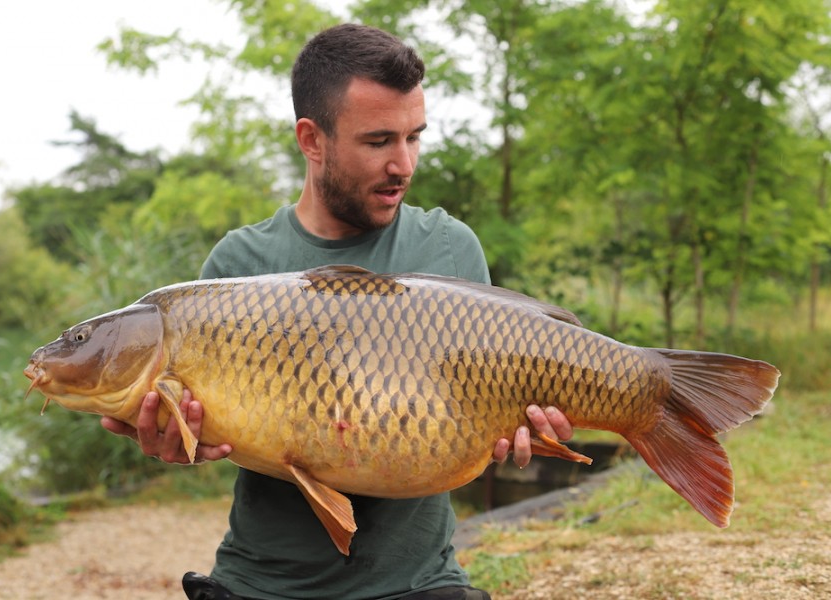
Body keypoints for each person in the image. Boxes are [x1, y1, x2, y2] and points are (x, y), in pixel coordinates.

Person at [102, 23, 573, 600]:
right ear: (312, 139)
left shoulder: (449, 247)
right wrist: (174, 441)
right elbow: (204, 431)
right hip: (263, 583)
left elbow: (487, 415)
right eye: (379, 142)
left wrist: (524, 431)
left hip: (418, 584)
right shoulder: (239, 263)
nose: (404, 164)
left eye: (414, 137)